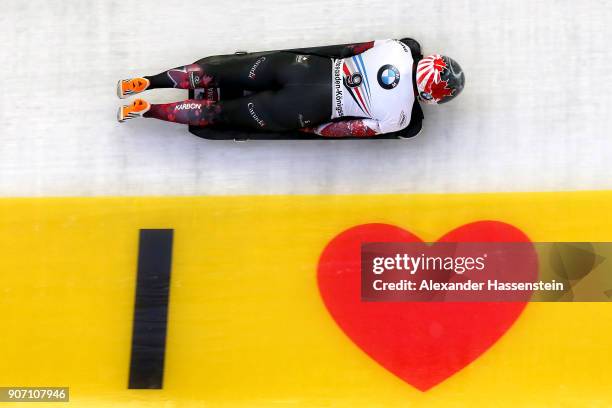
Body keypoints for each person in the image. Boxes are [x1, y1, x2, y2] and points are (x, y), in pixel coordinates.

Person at [116, 38, 465, 138]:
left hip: (299, 67)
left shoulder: (398, 48)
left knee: (219, 73)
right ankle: (147, 111)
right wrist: (309, 127)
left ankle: (150, 82)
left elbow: (351, 50)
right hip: (303, 107)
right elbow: (343, 130)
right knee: (220, 114)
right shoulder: (401, 118)